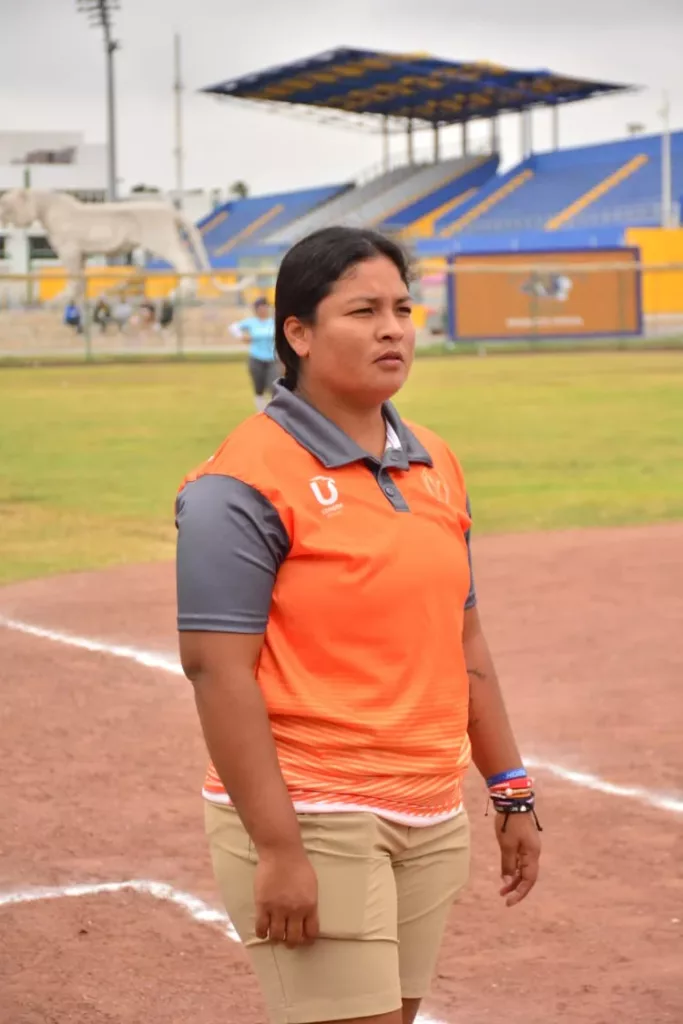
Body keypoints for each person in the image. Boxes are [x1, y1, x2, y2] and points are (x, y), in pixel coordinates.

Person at [175, 226, 542, 1024]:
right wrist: (277, 848)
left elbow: (463, 637)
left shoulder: (434, 460)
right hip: (312, 814)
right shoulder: (239, 481)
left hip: (429, 815)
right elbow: (215, 670)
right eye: (364, 310)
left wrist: (509, 791)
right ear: (297, 333)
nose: (392, 329)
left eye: (403, 309)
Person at [230, 296, 279, 411]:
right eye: (260, 308)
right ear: (256, 309)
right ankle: (261, 412)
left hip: (272, 359)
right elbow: (233, 327)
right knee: (259, 388)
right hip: (256, 358)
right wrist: (242, 337)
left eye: (265, 307)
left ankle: (273, 413)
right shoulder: (251, 322)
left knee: (273, 386)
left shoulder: (273, 322)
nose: (263, 310)